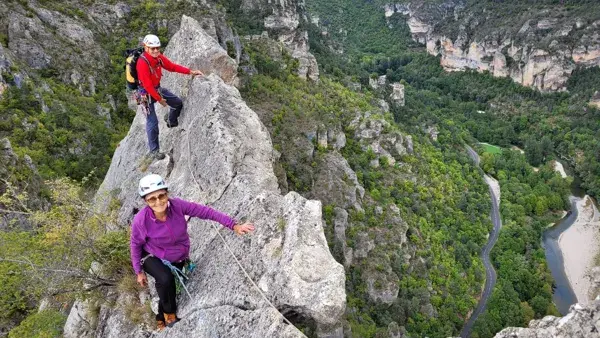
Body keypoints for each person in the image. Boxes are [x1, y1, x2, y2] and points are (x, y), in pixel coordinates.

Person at [130, 174, 255, 331]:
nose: (158, 201)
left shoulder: (178, 206)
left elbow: (207, 212)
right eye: (152, 199)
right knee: (165, 278)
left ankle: (159, 317)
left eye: (161, 195)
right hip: (149, 255)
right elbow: (135, 245)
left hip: (176, 255)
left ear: (167, 194)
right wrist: (138, 271)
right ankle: (170, 316)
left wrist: (234, 225)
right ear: (146, 201)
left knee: (165, 285)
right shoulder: (141, 221)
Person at [137, 34, 204, 160]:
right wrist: (159, 99)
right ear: (146, 48)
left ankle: (171, 120)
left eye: (157, 48)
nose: (156, 50)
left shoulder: (158, 58)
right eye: (153, 48)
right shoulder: (142, 63)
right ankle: (154, 151)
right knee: (152, 122)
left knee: (177, 103)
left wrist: (190, 72)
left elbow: (172, 67)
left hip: (156, 89)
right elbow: (147, 85)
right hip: (144, 93)